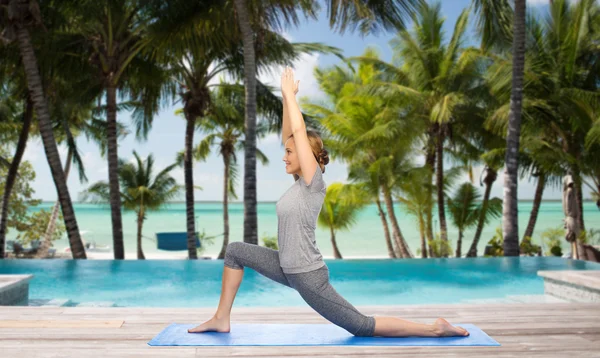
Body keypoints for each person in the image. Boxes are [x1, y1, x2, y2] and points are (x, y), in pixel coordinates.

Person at [187, 67, 469, 338]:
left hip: (308, 276)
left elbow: (298, 133)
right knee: (235, 251)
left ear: (305, 155)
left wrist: (291, 97)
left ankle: (434, 328)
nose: (284, 156)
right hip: (286, 267)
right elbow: (292, 133)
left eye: (289, 152)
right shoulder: (299, 184)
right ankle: (221, 318)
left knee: (360, 325)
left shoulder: (314, 183)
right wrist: (287, 98)